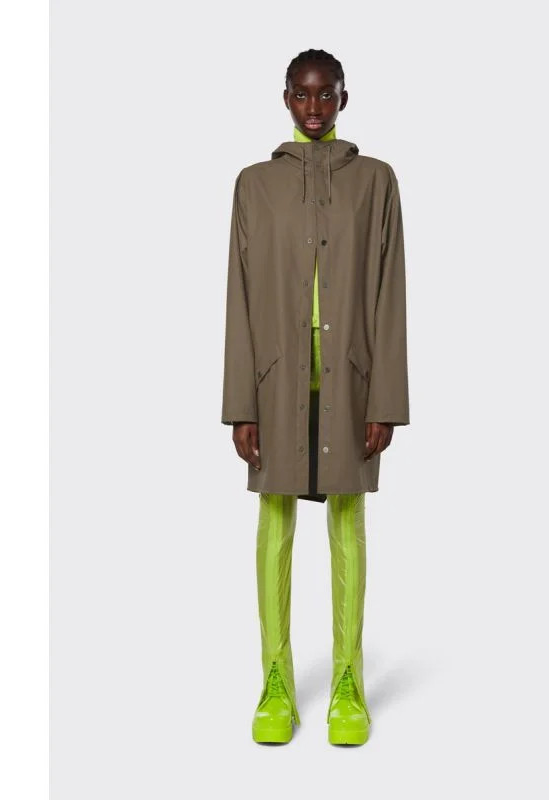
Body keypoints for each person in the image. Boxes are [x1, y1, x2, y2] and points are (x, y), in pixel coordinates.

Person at [220, 48, 410, 746]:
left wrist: (385, 399)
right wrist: (241, 403)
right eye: (302, 95)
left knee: (347, 526)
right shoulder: (254, 185)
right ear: (285, 99)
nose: (313, 107)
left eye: (325, 95)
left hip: (352, 382)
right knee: (274, 525)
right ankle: (275, 681)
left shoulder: (376, 181)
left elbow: (390, 291)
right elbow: (239, 296)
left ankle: (347, 685)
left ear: (343, 99)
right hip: (275, 383)